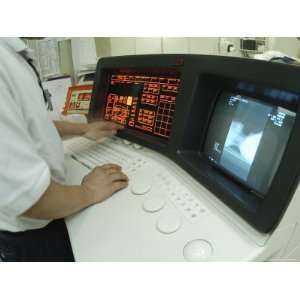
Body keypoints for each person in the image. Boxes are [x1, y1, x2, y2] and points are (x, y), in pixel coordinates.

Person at [0, 38, 129, 262]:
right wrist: (90, 191)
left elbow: (30, 121)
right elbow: (30, 199)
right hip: (26, 236)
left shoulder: (12, 53)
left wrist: (82, 129)